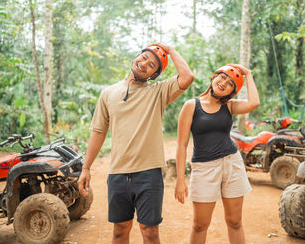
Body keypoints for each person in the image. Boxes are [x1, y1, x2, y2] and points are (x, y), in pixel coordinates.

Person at [78, 43, 194, 244]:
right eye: (144, 58)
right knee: (120, 231)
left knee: (149, 232)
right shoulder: (108, 93)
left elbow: (187, 78)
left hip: (149, 173)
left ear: (154, 74)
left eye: (151, 65)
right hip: (118, 173)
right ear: (136, 57)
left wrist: (171, 50)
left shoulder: (158, 92)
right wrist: (86, 167)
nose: (144, 65)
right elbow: (99, 132)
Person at [175, 64, 260, 244]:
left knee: (235, 222)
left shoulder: (229, 106)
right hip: (204, 169)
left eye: (230, 84)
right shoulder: (191, 106)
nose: (223, 84)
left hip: (232, 164)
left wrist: (248, 74)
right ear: (214, 76)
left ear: (231, 92)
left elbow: (254, 103)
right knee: (200, 225)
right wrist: (180, 180)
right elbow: (181, 145)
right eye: (222, 77)